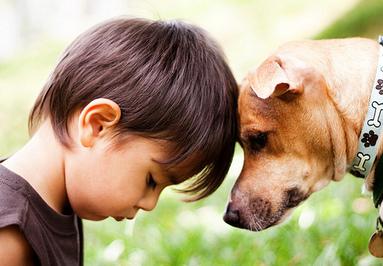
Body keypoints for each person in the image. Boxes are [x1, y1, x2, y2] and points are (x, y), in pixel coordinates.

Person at [0, 17, 238, 265]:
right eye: (151, 180)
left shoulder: (58, 202)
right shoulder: (8, 230)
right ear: (98, 124)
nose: (149, 204)